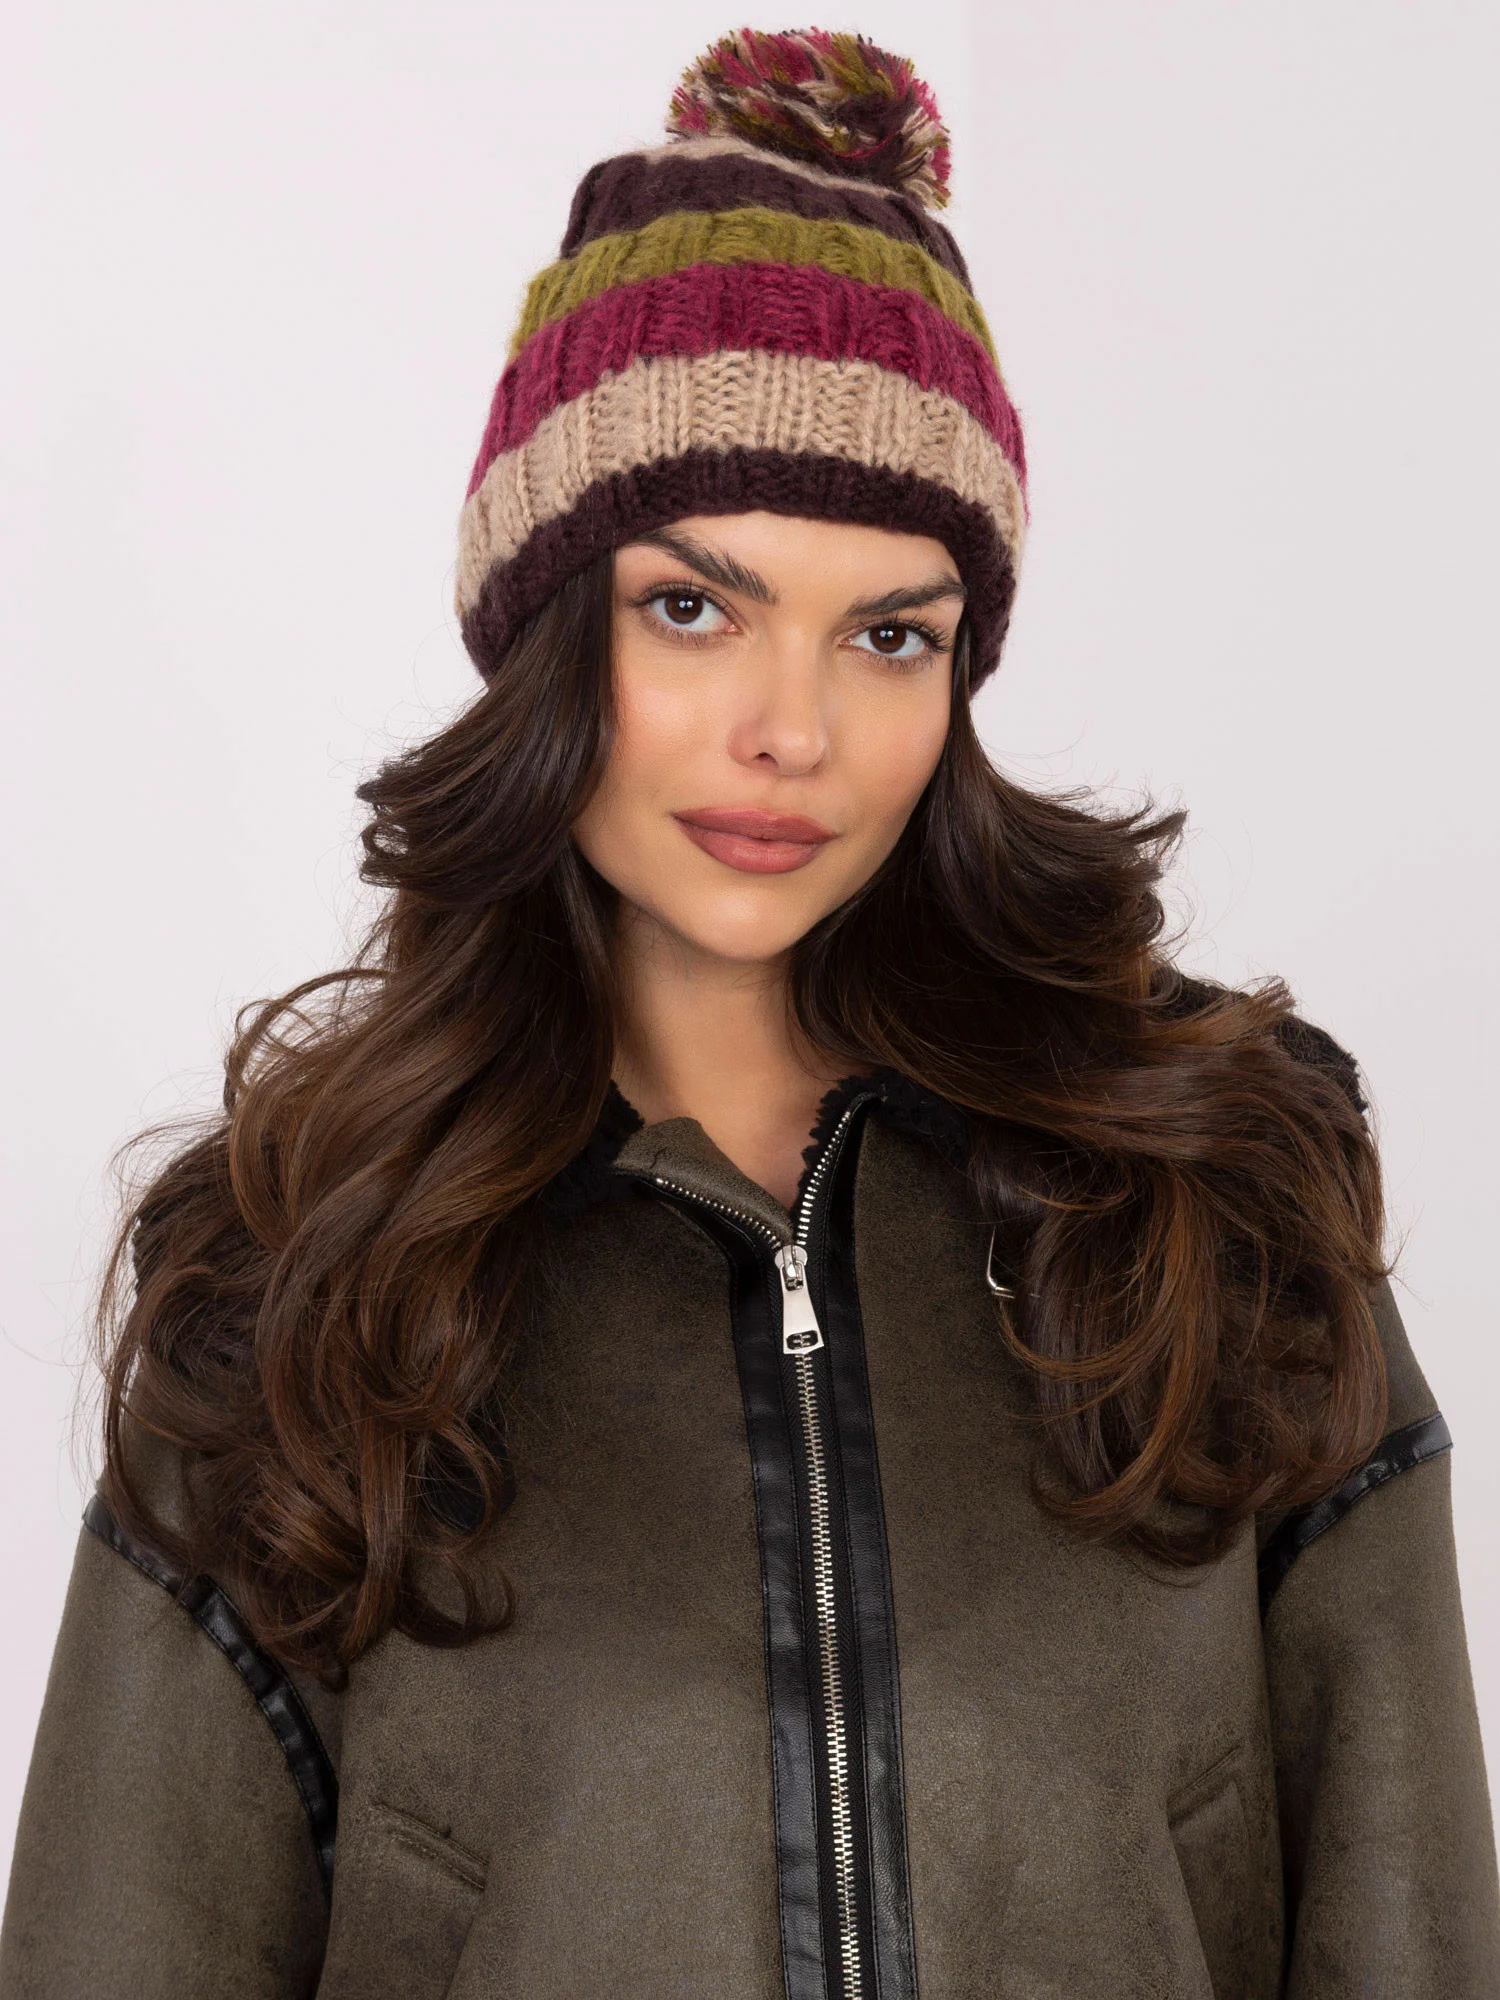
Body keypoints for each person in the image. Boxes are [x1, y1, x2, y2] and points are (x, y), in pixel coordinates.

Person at [2, 26, 1496, 2000]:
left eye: (890, 634)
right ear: (550, 626)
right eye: (694, 607)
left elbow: (1412, 1933)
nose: (794, 728)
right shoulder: (295, 1281)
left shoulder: (1220, 1194)